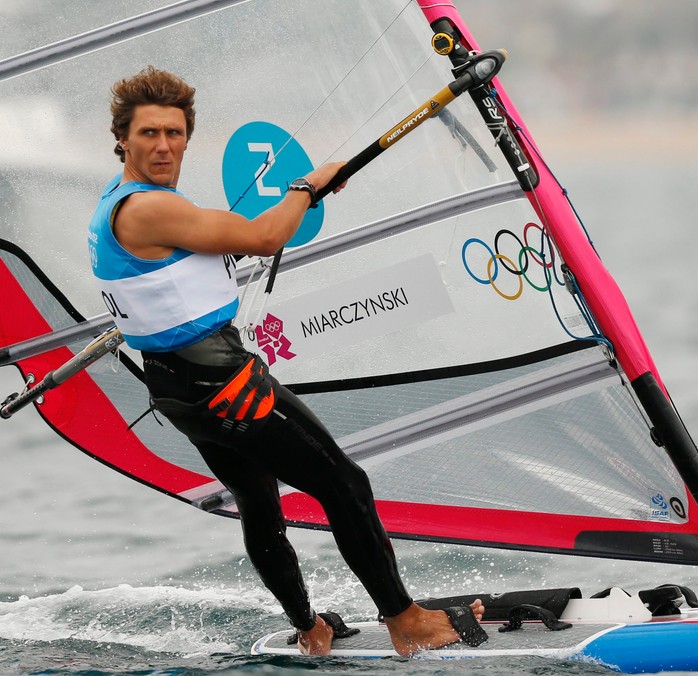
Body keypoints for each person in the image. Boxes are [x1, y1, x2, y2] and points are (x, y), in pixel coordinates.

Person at [87, 66, 485, 656]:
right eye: (149, 133)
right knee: (345, 484)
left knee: (258, 499)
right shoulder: (145, 211)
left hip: (177, 387)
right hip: (219, 382)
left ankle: (309, 626)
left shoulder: (118, 205)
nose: (164, 145)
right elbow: (266, 237)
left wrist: (302, 197)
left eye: (174, 132)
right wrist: (306, 185)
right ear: (122, 138)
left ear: (189, 137)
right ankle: (406, 620)